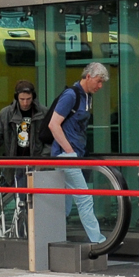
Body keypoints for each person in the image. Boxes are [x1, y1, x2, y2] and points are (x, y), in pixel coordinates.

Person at [50, 63, 110, 244]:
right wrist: (70, 152)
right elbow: (53, 124)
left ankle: (55, 236)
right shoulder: (71, 95)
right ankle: (98, 240)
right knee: (84, 197)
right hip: (66, 156)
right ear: (89, 76)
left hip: (72, 155)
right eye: (99, 81)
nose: (100, 86)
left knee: (66, 200)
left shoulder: (86, 97)